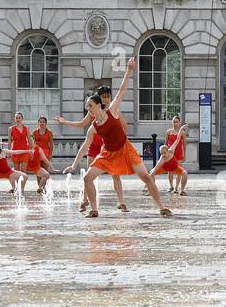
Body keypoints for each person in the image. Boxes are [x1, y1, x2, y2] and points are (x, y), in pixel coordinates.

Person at [69, 58, 172, 219]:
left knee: (146, 177)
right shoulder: (93, 127)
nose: (87, 108)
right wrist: (73, 165)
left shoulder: (113, 110)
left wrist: (130, 69)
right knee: (88, 178)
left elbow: (122, 89)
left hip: (125, 149)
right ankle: (94, 209)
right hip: (107, 154)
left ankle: (162, 207)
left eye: (89, 105)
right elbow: (84, 146)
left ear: (97, 105)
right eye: (86, 106)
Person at [58, 85, 127, 213]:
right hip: (94, 146)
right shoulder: (92, 111)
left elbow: (124, 126)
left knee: (115, 175)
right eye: (103, 97)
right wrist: (65, 122)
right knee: (89, 175)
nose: (106, 100)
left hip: (108, 147)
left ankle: (121, 202)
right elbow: (82, 124)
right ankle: (85, 200)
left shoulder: (113, 110)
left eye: (108, 97)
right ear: (99, 99)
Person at [153, 115, 189, 195]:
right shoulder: (168, 132)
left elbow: (184, 144)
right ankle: (171, 186)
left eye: (177, 122)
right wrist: (163, 154)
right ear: (172, 122)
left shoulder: (182, 132)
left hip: (179, 152)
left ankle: (176, 187)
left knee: (179, 170)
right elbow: (165, 144)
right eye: (174, 122)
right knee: (170, 171)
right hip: (169, 153)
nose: (175, 123)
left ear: (179, 123)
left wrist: (184, 154)